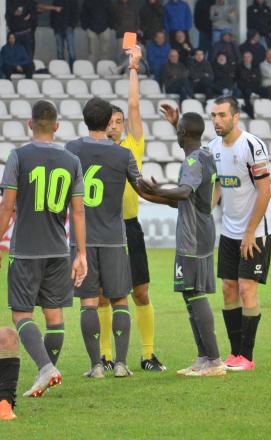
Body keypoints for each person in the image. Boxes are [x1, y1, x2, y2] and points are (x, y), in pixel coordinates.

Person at [0, 100, 87, 397]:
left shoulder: (18, 156)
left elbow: (7, 204)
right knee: (54, 316)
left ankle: (46, 369)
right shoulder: (72, 161)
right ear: (56, 127)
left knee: (21, 315)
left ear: (29, 124)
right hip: (58, 249)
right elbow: (79, 212)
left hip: (26, 250)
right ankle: (45, 372)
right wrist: (81, 253)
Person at [141, 106, 226, 377]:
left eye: (178, 131)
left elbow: (183, 191)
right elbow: (182, 198)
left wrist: (158, 189)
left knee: (195, 293)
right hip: (200, 230)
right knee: (191, 293)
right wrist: (151, 192)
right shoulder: (204, 155)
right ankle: (204, 357)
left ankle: (213, 359)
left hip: (193, 235)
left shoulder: (192, 161)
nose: (176, 136)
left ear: (182, 134)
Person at [65, 97, 144, 379]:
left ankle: (97, 365)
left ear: (86, 120)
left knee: (88, 301)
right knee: (120, 299)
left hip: (81, 240)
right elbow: (141, 186)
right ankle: (121, 364)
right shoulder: (123, 154)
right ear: (109, 120)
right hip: (113, 237)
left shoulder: (71, 149)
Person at [102, 46, 166, 373]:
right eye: (111, 122)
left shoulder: (133, 145)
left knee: (140, 291)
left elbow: (134, 103)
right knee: (102, 296)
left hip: (130, 226)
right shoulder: (95, 151)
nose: (116, 126)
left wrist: (133, 68)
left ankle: (148, 354)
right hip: (104, 230)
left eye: (120, 122)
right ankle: (105, 355)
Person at [208, 95, 271, 372]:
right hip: (230, 231)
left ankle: (247, 356)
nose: (217, 121)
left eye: (222, 115)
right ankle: (234, 354)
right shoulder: (213, 147)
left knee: (247, 288)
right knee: (228, 289)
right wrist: (204, 211)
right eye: (214, 116)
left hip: (255, 231)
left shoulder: (252, 146)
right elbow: (219, 185)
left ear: (235, 117)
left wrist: (249, 232)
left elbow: (265, 191)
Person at [80, 0, 112, 64]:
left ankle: (103, 69)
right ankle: (91, 70)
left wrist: (110, 25)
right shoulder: (88, 1)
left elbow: (111, 13)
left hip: (104, 28)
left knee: (104, 52)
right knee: (92, 52)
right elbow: (83, 14)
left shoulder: (107, 1)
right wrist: (85, 26)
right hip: (91, 29)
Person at [50, 0, 78, 67]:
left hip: (68, 28)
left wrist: (72, 25)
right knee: (60, 51)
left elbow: (76, 13)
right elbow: (52, 13)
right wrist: (54, 26)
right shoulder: (56, 1)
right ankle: (61, 69)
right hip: (58, 28)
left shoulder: (73, 1)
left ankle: (73, 70)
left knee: (71, 51)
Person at [236, 51, 261, 117]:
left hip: (254, 87)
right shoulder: (239, 67)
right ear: (243, 58)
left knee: (264, 90)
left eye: (248, 57)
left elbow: (258, 79)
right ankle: (250, 112)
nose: (247, 58)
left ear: (251, 58)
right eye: (245, 57)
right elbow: (240, 80)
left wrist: (249, 78)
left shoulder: (255, 67)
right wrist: (251, 77)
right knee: (246, 92)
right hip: (244, 88)